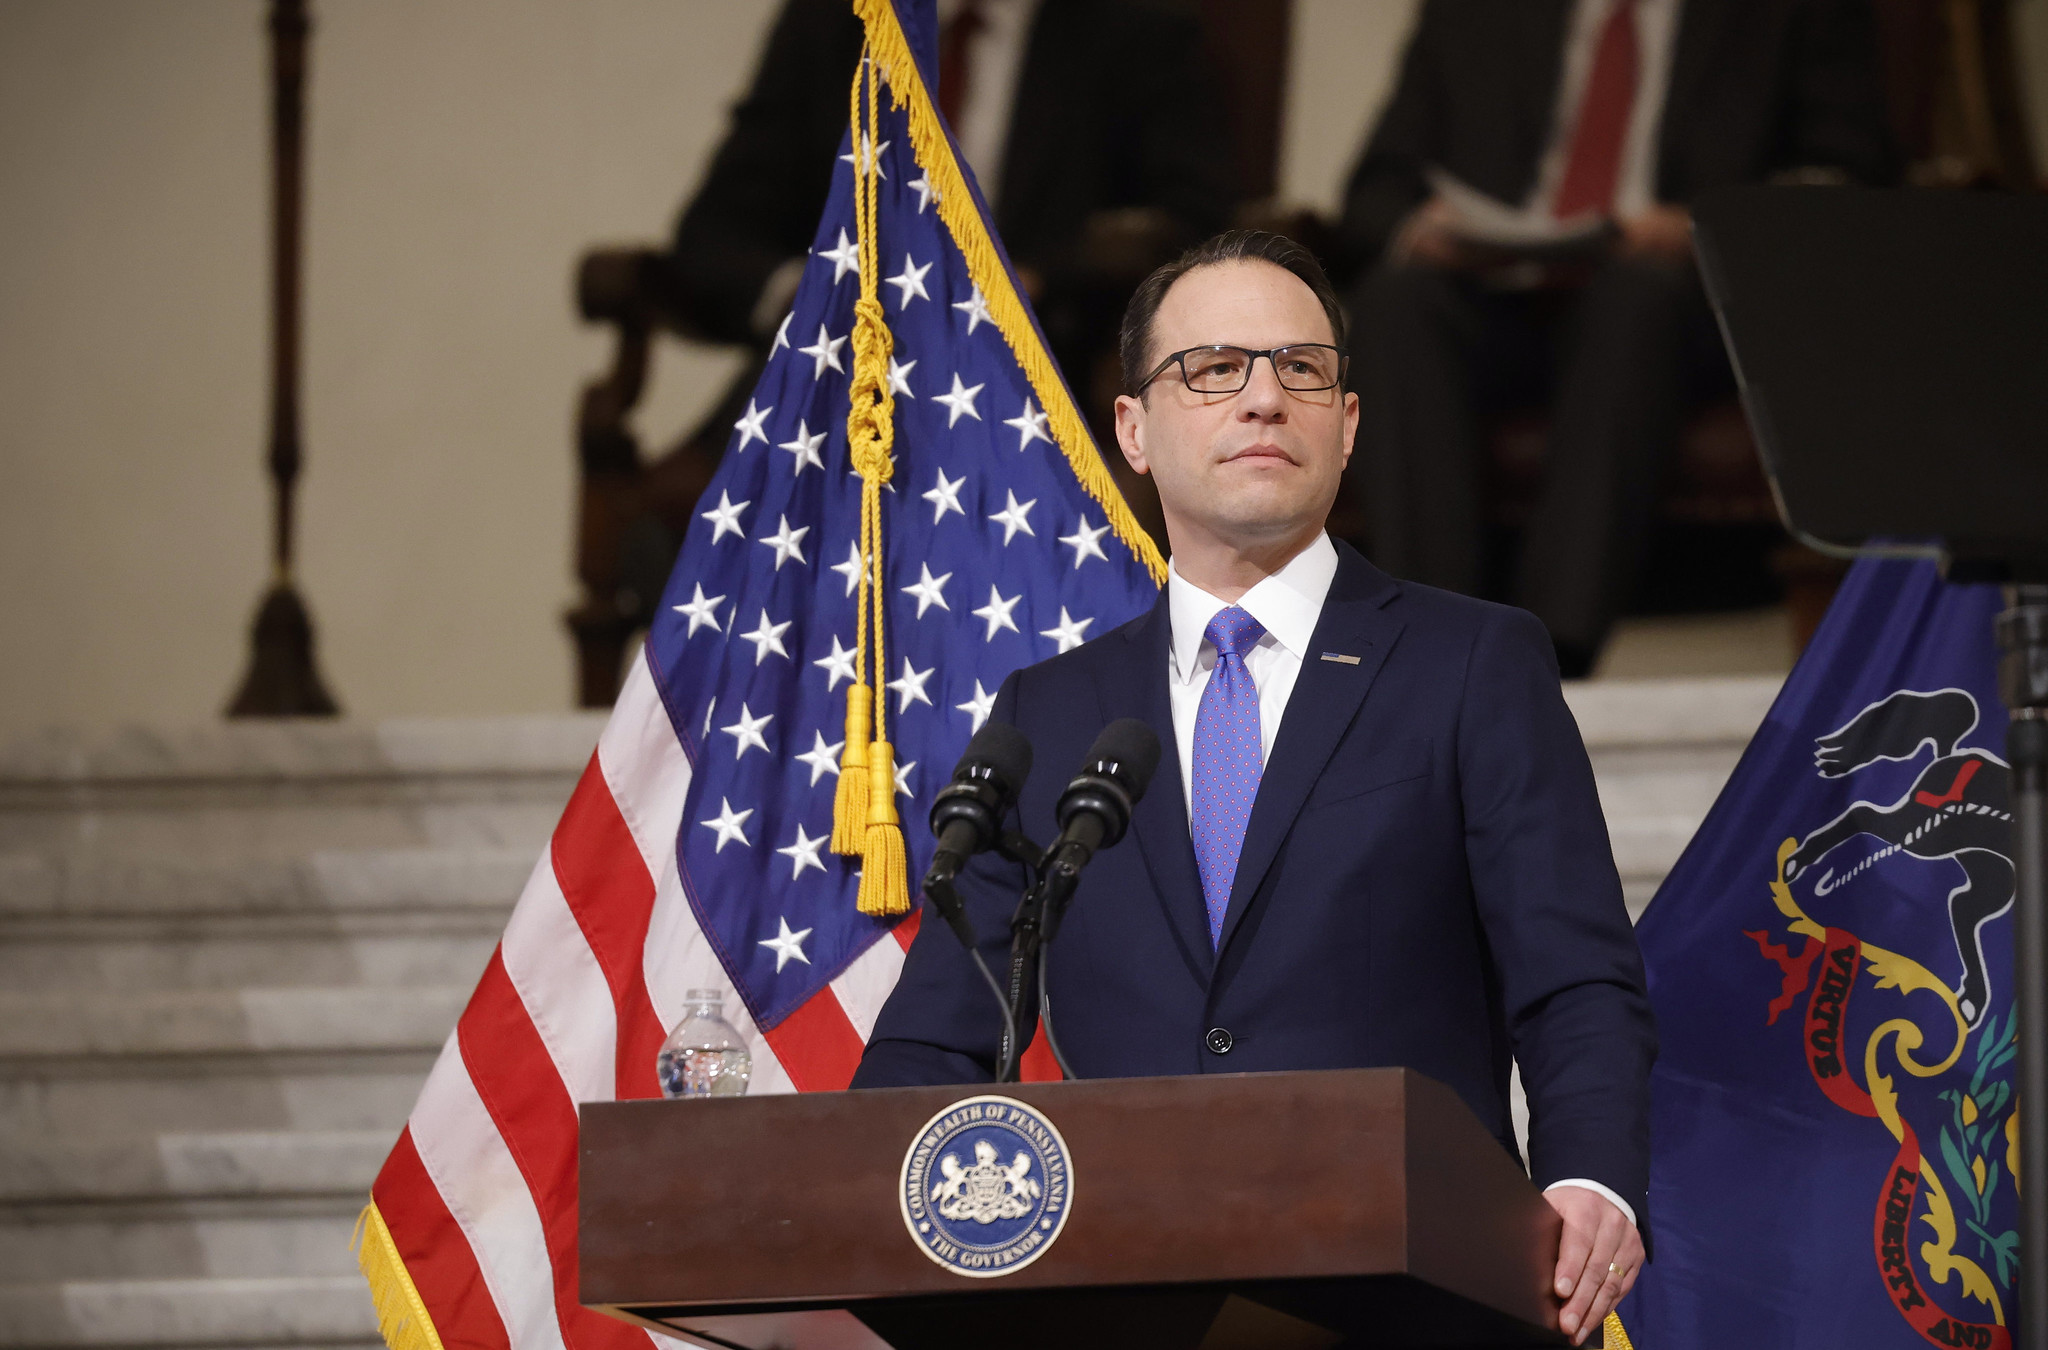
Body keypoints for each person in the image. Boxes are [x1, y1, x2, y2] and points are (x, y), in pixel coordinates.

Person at [852, 230, 1656, 1344]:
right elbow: (935, 1041)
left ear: (1348, 423)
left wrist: (1592, 1184)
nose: (1263, 399)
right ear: (1132, 429)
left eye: (1301, 369)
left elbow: (1572, 979)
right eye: (1213, 369)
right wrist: (862, 1206)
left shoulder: (1468, 663)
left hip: (1415, 1297)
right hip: (1126, 1306)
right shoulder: (1051, 714)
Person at [1335, 0, 1898, 675]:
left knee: (1634, 299)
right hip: (1498, 293)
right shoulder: (1472, 13)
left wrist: (1699, 228)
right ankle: (1420, 645)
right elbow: (1373, 191)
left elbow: (1849, 182)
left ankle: (1544, 659)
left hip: (1680, 308)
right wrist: (1420, 229)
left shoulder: (1783, 16)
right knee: (1398, 302)